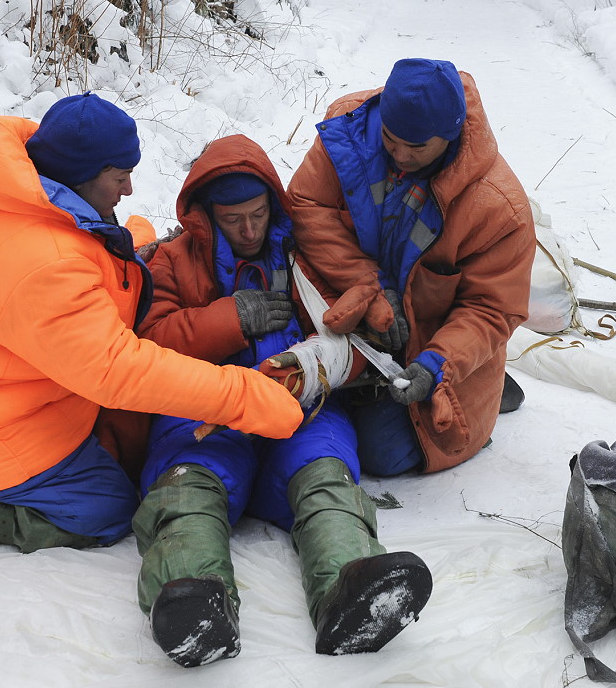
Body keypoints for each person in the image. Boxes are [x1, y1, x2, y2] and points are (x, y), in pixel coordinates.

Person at [0, 93, 304, 553]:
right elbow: (117, 367)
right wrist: (245, 396)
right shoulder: (44, 263)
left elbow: (78, 252)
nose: (129, 189)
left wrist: (135, 247)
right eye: (119, 177)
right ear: (81, 176)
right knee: (108, 511)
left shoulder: (16, 197)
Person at [133, 134, 432, 667]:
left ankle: (352, 591)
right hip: (206, 410)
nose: (248, 230)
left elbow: (357, 332)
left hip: (302, 407)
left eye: (257, 213)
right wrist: (229, 319)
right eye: (232, 219)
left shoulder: (307, 255)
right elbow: (147, 346)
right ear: (205, 215)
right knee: (188, 492)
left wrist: (354, 344)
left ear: (273, 202)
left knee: (326, 479)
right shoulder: (172, 262)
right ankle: (194, 602)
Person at [287, 58, 536, 477]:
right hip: (358, 310)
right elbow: (306, 205)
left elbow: (492, 309)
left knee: (384, 455)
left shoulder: (499, 208)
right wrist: (371, 288)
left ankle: (478, 387)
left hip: (429, 346)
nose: (400, 155)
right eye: (390, 138)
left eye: (417, 148)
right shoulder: (349, 130)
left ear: (451, 134)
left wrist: (439, 363)